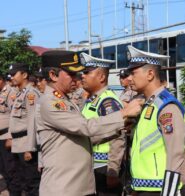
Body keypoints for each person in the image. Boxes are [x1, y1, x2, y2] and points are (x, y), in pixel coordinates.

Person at [35, 50, 144, 196]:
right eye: (71, 74)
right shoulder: (50, 103)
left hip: (79, 186)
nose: (77, 79)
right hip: (64, 188)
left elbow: (82, 139)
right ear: (53, 75)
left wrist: (119, 128)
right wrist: (123, 113)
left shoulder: (65, 101)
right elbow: (85, 127)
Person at [126, 45, 185, 196]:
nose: (129, 79)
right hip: (143, 187)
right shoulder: (147, 103)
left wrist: (169, 192)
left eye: (133, 73)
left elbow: (176, 152)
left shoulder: (166, 106)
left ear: (150, 74)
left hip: (159, 189)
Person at [80, 52, 125, 195]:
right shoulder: (92, 100)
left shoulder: (107, 102)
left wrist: (113, 170)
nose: (83, 76)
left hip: (104, 168)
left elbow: (119, 137)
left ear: (101, 77)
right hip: (93, 166)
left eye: (87, 72)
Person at [8, 63, 41, 196]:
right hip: (18, 144)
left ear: (24, 75)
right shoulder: (20, 94)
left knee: (32, 182)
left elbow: (33, 121)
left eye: (14, 74)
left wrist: (30, 147)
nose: (11, 77)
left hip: (26, 144)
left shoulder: (31, 94)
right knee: (23, 181)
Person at [0, 71, 18, 195]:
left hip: (6, 136)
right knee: (2, 169)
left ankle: (15, 192)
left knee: (10, 169)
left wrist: (11, 136)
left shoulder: (11, 93)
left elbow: (15, 115)